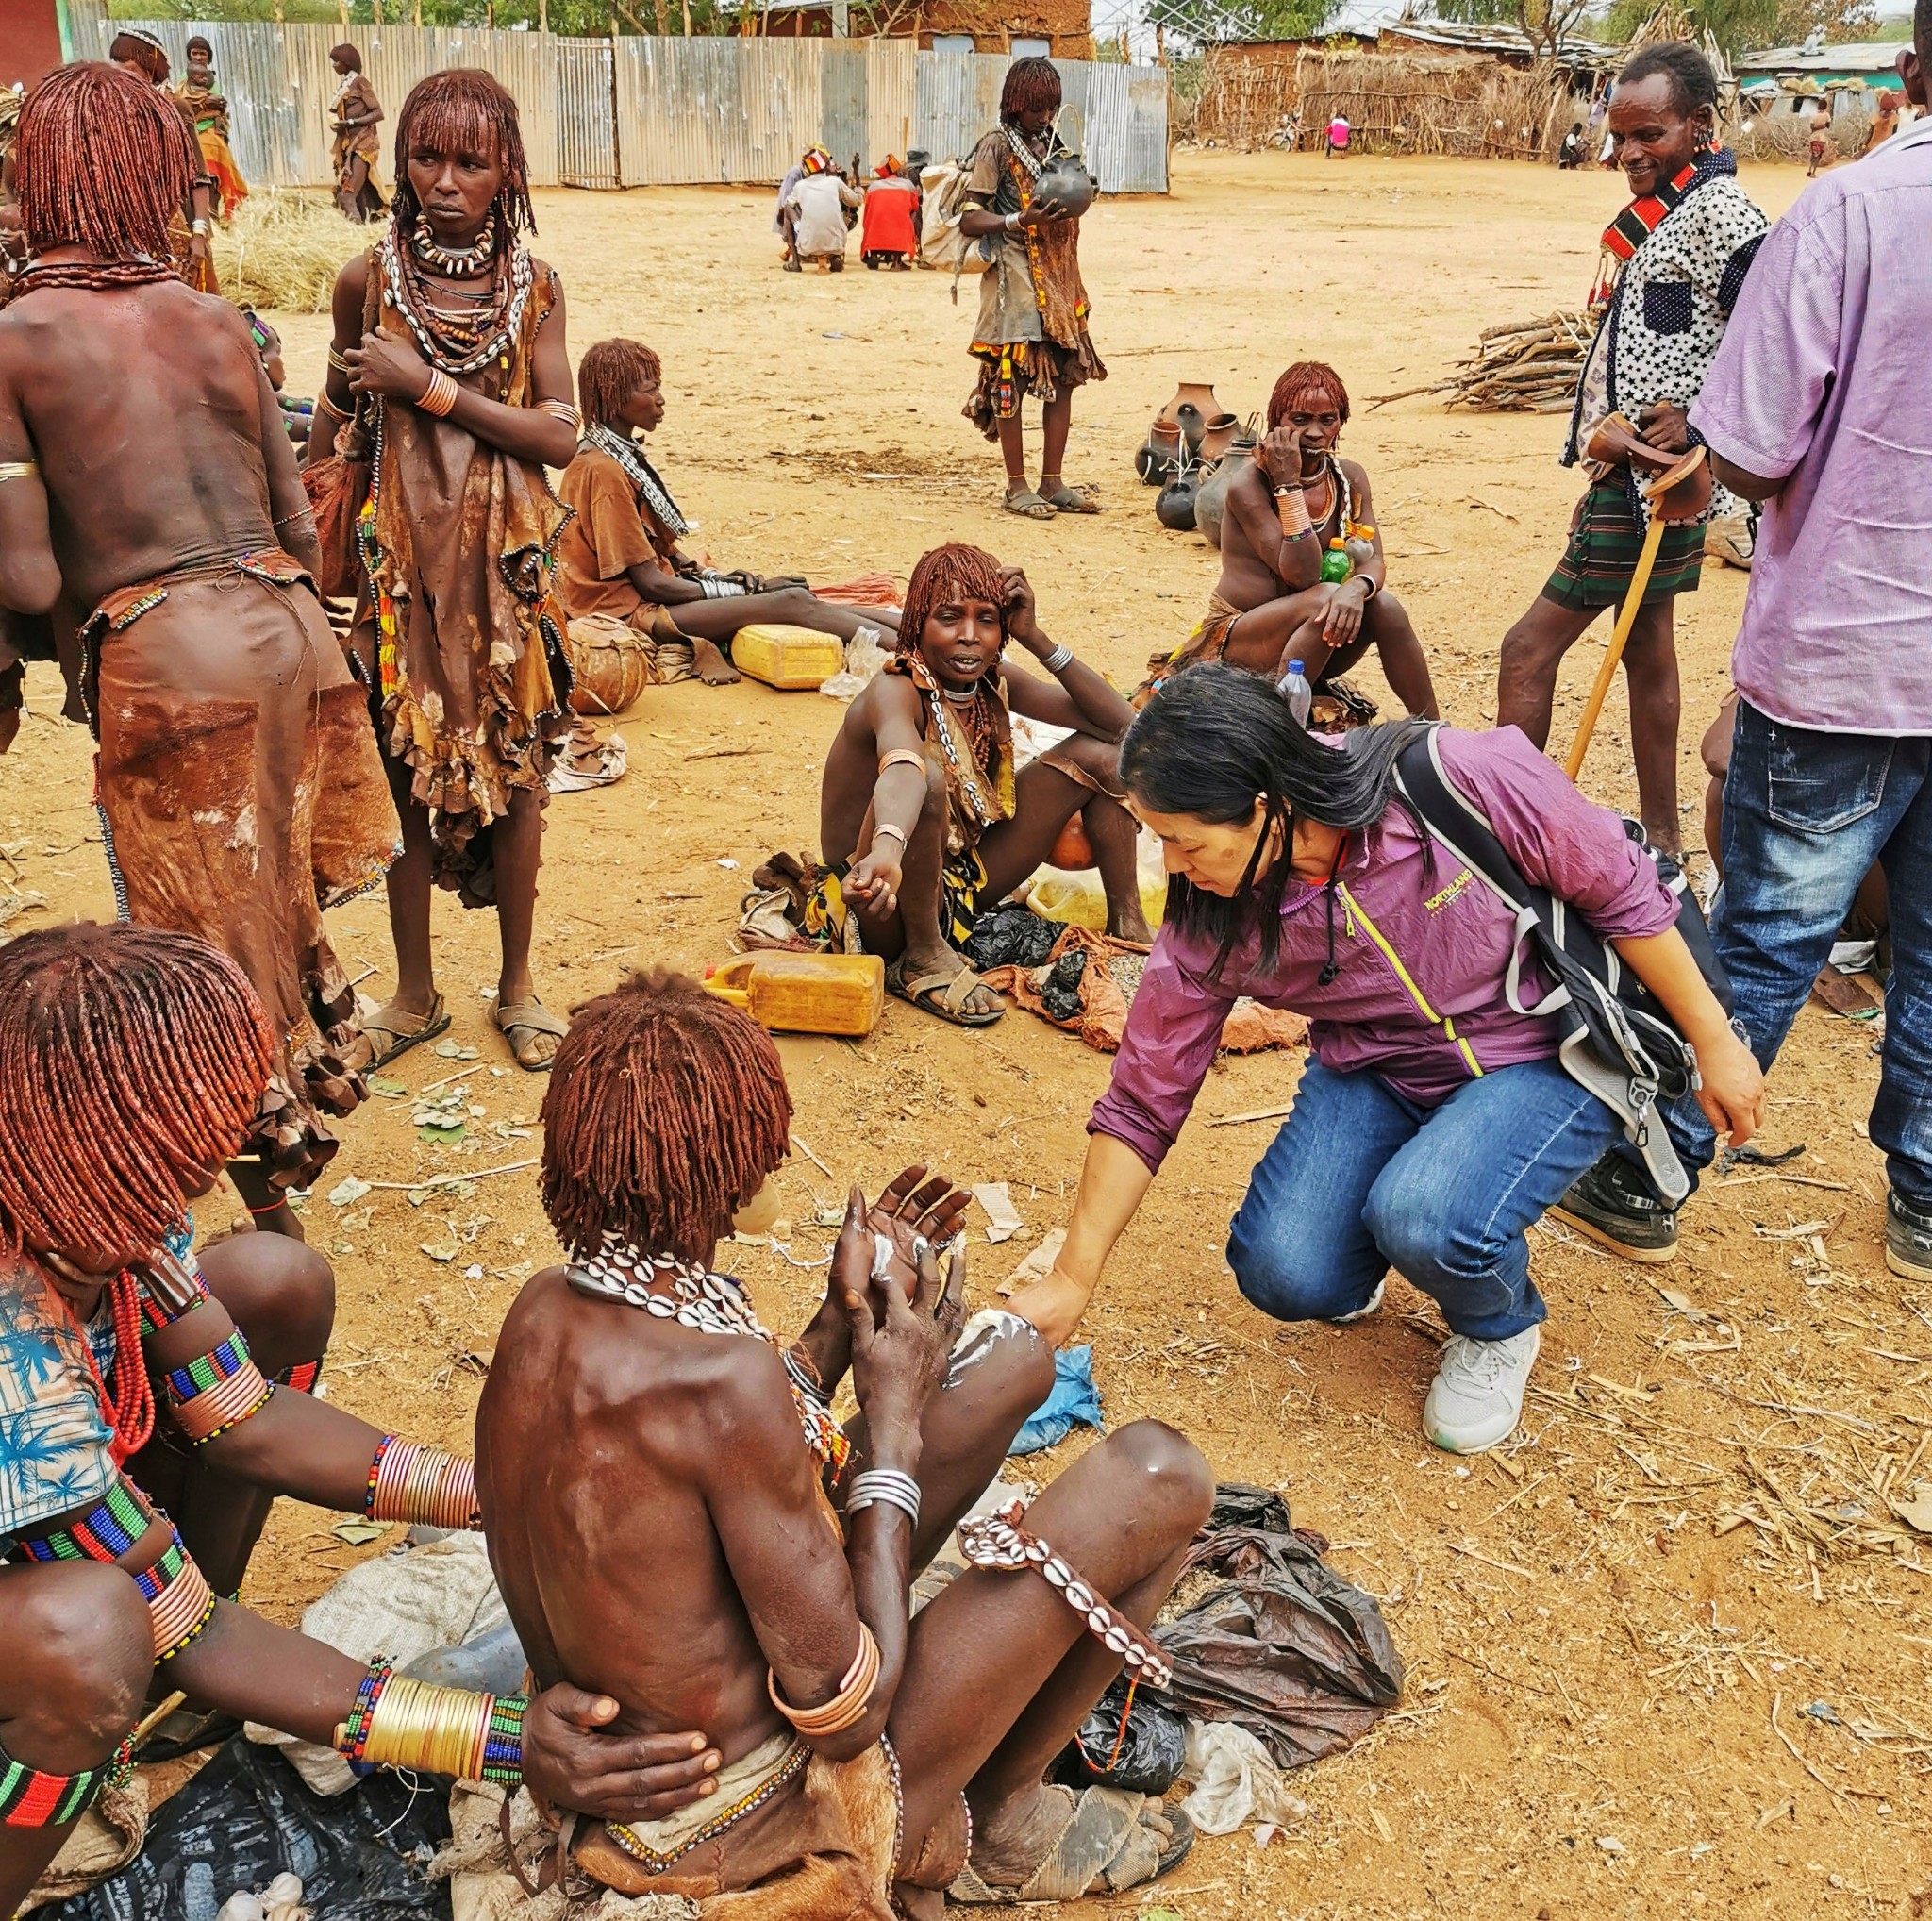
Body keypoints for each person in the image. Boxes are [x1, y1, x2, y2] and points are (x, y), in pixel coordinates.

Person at [0, 925, 726, 1917]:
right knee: (85, 1636)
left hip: (79, 1539)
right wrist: (507, 1736)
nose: (220, 1165)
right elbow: (197, 1628)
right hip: (54, 1581)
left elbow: (244, 1415)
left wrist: (504, 1494)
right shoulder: (18, 1359)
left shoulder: (79, 1197)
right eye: (193, 1138)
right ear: (96, 1131)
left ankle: (168, 1696)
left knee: (274, 1279)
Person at [476, 970, 1211, 1911]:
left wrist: (836, 1327)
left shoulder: (540, 1310)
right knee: (1160, 1473)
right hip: (748, 1816)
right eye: (761, 1140)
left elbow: (700, 1457)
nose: (778, 1157)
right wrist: (894, 1425)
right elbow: (847, 1712)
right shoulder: (721, 1381)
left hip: (658, 1741)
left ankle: (982, 1796)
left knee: (1014, 1361)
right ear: (726, 1168)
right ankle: (996, 1818)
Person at [1003, 667, 1763, 1453]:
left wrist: (1714, 1040)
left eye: (1185, 842)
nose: (1173, 865)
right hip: (1380, 1067)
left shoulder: (1451, 780)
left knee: (1426, 1217)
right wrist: (1073, 1273)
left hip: (1547, 1049)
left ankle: (1495, 1323)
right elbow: (1143, 1096)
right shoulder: (1211, 917)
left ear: (1266, 806)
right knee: (1285, 1273)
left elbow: (1622, 893)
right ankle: (1411, 1214)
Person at [1555, 12, 1932, 1280]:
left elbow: (1759, 448)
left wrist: (1696, 441)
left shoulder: (1845, 214)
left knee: (1771, 935)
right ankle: (1926, 1188)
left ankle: (1651, 1166)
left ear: (1911, 73)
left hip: (1854, 647)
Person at [0, 62, 399, 1228]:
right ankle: (277, 1216)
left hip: (175, 672)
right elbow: (294, 526)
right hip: (291, 644)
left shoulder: (18, 335)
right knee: (266, 923)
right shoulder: (221, 320)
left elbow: (26, 575)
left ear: (50, 185)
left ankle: (260, 1245)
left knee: (198, 962)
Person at [309, 69, 580, 1074]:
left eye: (471, 160)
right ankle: (414, 992)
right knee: (399, 762)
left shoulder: (534, 288)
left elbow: (559, 434)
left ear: (506, 165)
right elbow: (337, 419)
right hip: (401, 567)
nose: (446, 180)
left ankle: (517, 985)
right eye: (428, 156)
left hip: (504, 574)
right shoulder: (365, 280)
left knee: (517, 772)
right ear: (400, 159)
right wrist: (339, 425)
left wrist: (427, 386)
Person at [1496, 42, 1767, 858]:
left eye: (1650, 134)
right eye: (1621, 137)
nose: (1629, 154)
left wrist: (1702, 422)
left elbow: (1778, 334)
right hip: (1651, 479)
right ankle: (1666, 841)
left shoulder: (1721, 216)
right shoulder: (1670, 213)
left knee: (1525, 650)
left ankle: (1506, 836)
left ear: (1701, 126)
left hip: (1647, 483)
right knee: (1649, 648)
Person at [823, 543, 1152, 1027]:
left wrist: (1036, 638)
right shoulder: (895, 689)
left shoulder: (993, 682)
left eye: (987, 620)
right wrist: (888, 850)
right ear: (916, 623)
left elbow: (1124, 727)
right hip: (876, 895)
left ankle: (1131, 928)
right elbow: (903, 768)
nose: (970, 637)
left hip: (955, 880)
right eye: (950, 617)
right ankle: (923, 956)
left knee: (1102, 759)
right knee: (928, 773)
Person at [558, 336, 896, 693]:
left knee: (793, 595)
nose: (660, 399)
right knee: (790, 602)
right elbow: (651, 583)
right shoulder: (602, 470)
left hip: (649, 600)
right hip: (630, 612)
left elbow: (663, 553)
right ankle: (907, 650)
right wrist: (729, 590)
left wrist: (723, 580)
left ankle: (904, 627)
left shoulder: (614, 456)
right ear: (615, 396)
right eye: (650, 389)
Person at [1141, 360, 1438, 724]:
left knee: (1384, 606)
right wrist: (1287, 483)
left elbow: (1374, 560)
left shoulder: (1349, 478)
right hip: (1240, 642)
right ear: (1276, 422)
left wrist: (1358, 587)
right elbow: (1302, 575)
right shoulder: (1250, 486)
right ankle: (1281, 730)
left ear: (1340, 422)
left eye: (1327, 420)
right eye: (1299, 420)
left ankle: (1433, 729)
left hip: (1313, 638)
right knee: (1328, 593)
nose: (1314, 432)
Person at [959, 58, 1106, 520]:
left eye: (1051, 107)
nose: (1045, 117)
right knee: (1012, 375)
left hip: (1060, 275)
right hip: (1014, 278)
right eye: (1037, 108)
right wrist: (1019, 219)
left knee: (1064, 376)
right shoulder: (995, 147)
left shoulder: (1052, 144)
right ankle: (1016, 486)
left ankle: (1053, 481)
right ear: (1016, 104)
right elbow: (968, 217)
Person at [108, 29, 218, 292]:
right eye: (116, 67)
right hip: (126, 235)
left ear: (149, 67)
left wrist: (199, 235)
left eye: (129, 68)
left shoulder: (175, 107)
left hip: (173, 234)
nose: (121, 75)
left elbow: (198, 176)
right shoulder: (111, 110)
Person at [175, 36, 247, 221]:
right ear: (189, 56)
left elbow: (220, 107)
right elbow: (180, 105)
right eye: (195, 53)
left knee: (215, 175)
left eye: (202, 54)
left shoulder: (213, 80)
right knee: (201, 173)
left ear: (209, 56)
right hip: (193, 134)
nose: (199, 58)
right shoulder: (183, 80)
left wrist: (218, 106)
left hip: (213, 132)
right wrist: (205, 103)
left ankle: (213, 214)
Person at [327, 42, 386, 223]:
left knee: (347, 195)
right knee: (361, 200)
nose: (334, 66)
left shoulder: (360, 82)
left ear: (347, 62)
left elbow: (378, 113)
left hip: (363, 144)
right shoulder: (345, 85)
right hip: (349, 144)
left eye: (337, 62)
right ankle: (365, 230)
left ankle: (354, 236)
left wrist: (351, 122)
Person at [781, 155, 859, 272]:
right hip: (837, 245)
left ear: (807, 171)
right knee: (839, 215)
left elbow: (786, 206)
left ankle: (795, 263)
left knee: (788, 209)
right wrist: (858, 187)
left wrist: (796, 221)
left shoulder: (800, 186)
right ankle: (834, 257)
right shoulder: (835, 182)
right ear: (824, 168)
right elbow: (856, 201)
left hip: (808, 247)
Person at [861, 155, 921, 269]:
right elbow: (915, 206)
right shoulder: (908, 186)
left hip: (875, 234)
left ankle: (874, 253)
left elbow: (867, 211)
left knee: (874, 218)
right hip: (900, 233)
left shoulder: (873, 187)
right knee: (910, 216)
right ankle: (897, 260)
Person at [774, 143, 828, 265]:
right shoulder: (796, 174)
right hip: (796, 218)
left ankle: (796, 256)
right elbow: (786, 202)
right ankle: (796, 252)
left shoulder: (818, 179)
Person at [1863, 85, 1902, 153]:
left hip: (1873, 147)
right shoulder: (1894, 117)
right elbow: (1894, 134)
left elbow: (1870, 133)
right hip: (1886, 147)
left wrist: (1865, 144)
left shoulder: (1875, 117)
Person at [1808, 97, 1833, 175]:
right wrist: (1823, 126)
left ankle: (1809, 170)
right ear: (1825, 107)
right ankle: (1813, 173)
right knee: (1818, 156)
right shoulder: (1827, 115)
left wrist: (1817, 127)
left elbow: (1812, 127)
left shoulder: (1814, 115)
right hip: (1821, 138)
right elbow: (1828, 125)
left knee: (1813, 154)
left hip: (1813, 137)